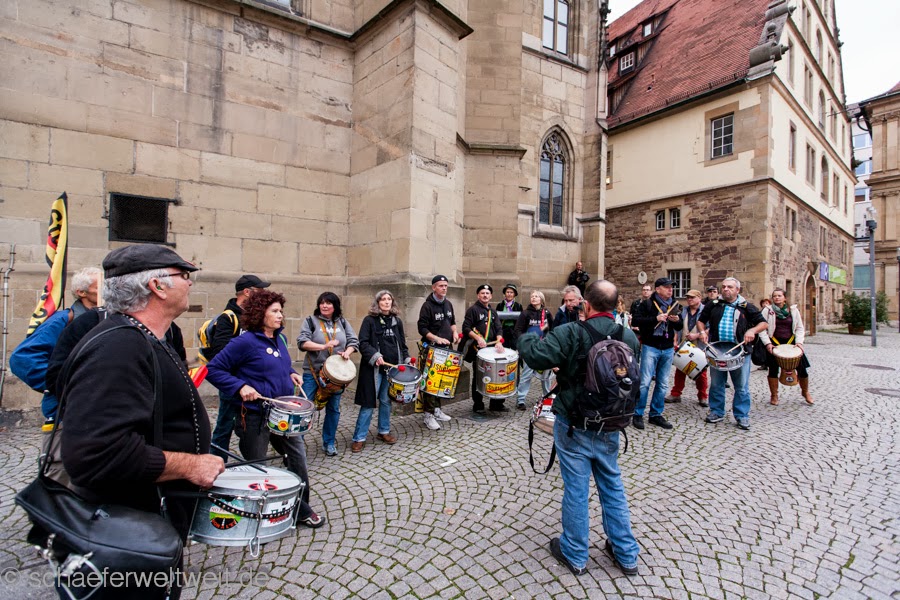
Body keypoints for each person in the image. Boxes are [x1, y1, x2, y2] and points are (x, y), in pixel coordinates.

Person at [58, 245, 224, 599]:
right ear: (157, 286)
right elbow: (97, 455)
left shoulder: (146, 337)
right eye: (183, 276)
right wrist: (191, 465)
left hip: (149, 526)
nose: (190, 283)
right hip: (125, 533)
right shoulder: (119, 347)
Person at [517, 280, 640, 577]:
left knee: (576, 488)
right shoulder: (628, 337)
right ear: (615, 305)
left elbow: (536, 356)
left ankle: (574, 552)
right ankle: (626, 553)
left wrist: (528, 336)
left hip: (575, 423)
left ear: (586, 304)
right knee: (612, 485)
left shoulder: (571, 332)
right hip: (611, 423)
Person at [206, 289, 325, 529]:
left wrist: (290, 373)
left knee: (297, 460)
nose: (280, 315)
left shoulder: (279, 339)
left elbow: (279, 364)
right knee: (257, 466)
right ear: (260, 313)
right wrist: (240, 386)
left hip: (283, 413)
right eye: (275, 311)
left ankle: (301, 508)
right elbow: (213, 369)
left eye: (281, 311)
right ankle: (259, 514)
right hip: (254, 415)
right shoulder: (244, 342)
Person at [207, 274, 271, 460]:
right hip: (234, 383)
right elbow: (219, 352)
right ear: (247, 292)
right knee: (224, 425)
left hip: (253, 381)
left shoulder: (255, 317)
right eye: (259, 290)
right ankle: (217, 463)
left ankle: (253, 460)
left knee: (249, 424)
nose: (263, 294)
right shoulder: (228, 318)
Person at [696, 277, 767, 430]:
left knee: (741, 386)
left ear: (737, 290)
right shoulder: (714, 304)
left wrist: (752, 330)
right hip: (717, 350)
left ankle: (742, 415)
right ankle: (716, 411)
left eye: (730, 287)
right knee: (716, 384)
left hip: (740, 352)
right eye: (724, 287)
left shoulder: (746, 306)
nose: (726, 289)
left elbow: (763, 323)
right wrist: (702, 332)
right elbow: (700, 320)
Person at [297, 292, 359, 456]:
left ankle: (329, 442)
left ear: (335, 306)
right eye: (322, 303)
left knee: (333, 409)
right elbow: (302, 342)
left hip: (335, 376)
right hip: (313, 372)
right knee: (304, 408)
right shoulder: (311, 321)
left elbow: (353, 341)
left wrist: (347, 352)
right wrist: (323, 347)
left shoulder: (342, 322)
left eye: (328, 303)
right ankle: (296, 445)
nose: (324, 306)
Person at [351, 290, 409, 452]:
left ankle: (383, 431)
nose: (386, 302)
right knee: (368, 403)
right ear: (377, 303)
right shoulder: (369, 321)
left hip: (391, 370)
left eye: (389, 299)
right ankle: (359, 438)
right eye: (383, 299)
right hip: (374, 370)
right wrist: (375, 356)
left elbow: (402, 344)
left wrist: (406, 359)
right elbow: (363, 343)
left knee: (386, 400)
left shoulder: (397, 321)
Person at [631, 277, 681, 430]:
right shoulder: (647, 304)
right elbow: (635, 321)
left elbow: (679, 326)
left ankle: (655, 414)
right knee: (645, 382)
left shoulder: (674, 304)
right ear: (658, 289)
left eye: (671, 287)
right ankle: (638, 413)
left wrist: (676, 320)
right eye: (667, 287)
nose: (670, 290)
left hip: (667, 347)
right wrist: (655, 318)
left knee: (663, 383)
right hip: (650, 346)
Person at [417, 275, 459, 430]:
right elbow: (422, 328)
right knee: (431, 382)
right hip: (432, 349)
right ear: (434, 287)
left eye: (446, 285)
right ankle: (428, 415)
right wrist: (437, 338)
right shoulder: (427, 306)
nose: (444, 288)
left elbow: (452, 322)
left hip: (447, 349)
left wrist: (455, 333)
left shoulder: (448, 304)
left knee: (442, 380)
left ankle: (436, 410)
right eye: (441, 286)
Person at [759, 288, 813, 405]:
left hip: (792, 344)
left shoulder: (793, 310)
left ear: (785, 298)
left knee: (802, 369)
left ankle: (805, 392)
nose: (777, 298)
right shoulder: (767, 310)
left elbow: (799, 328)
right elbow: (762, 328)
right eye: (774, 296)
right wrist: (767, 343)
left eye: (779, 295)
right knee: (773, 370)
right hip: (774, 344)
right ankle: (774, 395)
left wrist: (799, 342)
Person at [461, 284, 507, 412]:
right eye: (482, 293)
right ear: (478, 295)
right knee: (479, 376)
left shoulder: (493, 312)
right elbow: (466, 328)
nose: (485, 295)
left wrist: (499, 341)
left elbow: (499, 329)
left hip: (492, 350)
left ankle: (496, 403)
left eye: (487, 293)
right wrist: (478, 338)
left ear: (491, 296)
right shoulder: (473, 310)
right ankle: (478, 404)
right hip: (478, 350)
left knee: (496, 375)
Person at [666, 289, 709, 407]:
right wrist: (675, 341)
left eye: (692, 297)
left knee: (701, 372)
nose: (689, 299)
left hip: (699, 345)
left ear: (699, 298)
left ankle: (702, 395)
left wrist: (697, 335)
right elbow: (677, 327)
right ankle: (676, 393)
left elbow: (710, 328)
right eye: (688, 297)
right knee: (680, 369)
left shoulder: (706, 310)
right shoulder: (683, 310)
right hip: (684, 344)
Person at [513, 290, 554, 410]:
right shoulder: (525, 313)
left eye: (536, 296)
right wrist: (523, 343)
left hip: (544, 348)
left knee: (546, 376)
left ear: (541, 299)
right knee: (527, 374)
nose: (533, 298)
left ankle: (547, 397)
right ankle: (521, 400)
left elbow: (552, 329)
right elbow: (518, 330)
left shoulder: (546, 313)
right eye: (532, 296)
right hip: (530, 349)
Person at [496, 284, 523, 350]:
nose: (509, 294)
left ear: (514, 294)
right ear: (505, 294)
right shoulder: (500, 305)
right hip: (503, 331)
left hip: (514, 331)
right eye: (507, 292)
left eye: (511, 292)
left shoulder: (518, 306)